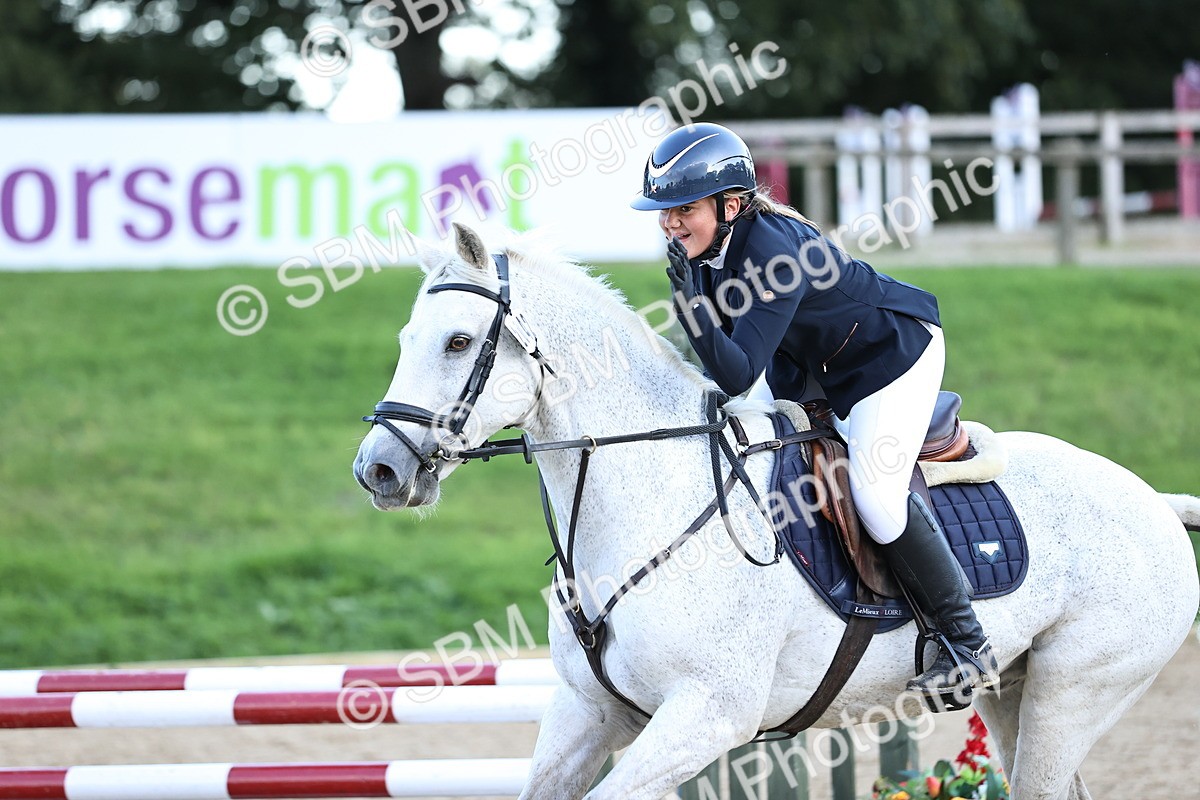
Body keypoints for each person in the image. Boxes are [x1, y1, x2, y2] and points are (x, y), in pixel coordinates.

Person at [630, 122, 998, 702]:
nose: (670, 222)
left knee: (876, 496)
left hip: (891, 359)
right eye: (663, 210)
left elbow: (735, 369)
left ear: (730, 204)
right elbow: (727, 372)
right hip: (813, 369)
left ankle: (967, 644)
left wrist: (690, 307)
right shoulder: (708, 247)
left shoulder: (774, 251)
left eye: (683, 208)